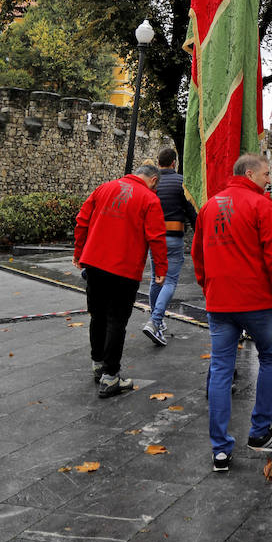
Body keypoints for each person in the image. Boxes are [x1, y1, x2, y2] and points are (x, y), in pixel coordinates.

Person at [192, 152, 272, 470]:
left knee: (222, 370)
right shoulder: (263, 206)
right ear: (250, 173)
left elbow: (198, 255)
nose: (270, 180)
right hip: (256, 301)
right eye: (266, 174)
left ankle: (220, 449)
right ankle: (259, 431)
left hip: (220, 301)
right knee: (269, 357)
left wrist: (208, 287)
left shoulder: (210, 206)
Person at [74, 163, 167, 398]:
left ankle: (98, 363)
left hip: (94, 262)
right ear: (154, 180)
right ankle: (110, 376)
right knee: (117, 320)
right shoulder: (149, 199)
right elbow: (156, 237)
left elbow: (82, 220)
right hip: (124, 268)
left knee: (98, 315)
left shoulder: (104, 188)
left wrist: (78, 253)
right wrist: (161, 268)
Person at [142, 146, 195, 347]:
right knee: (170, 280)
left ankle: (158, 319)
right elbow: (191, 211)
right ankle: (155, 321)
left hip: (154, 238)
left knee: (157, 279)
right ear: (174, 162)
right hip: (173, 236)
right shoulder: (181, 182)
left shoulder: (152, 183)